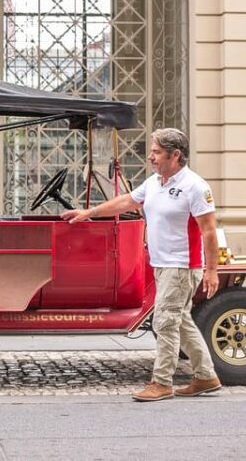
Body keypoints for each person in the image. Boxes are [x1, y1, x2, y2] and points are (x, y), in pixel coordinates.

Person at [61, 128, 221, 402]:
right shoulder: (155, 182)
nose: (150, 157)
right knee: (180, 321)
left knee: (164, 322)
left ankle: (162, 382)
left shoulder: (195, 186)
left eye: (157, 152)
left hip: (181, 266)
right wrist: (90, 213)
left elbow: (209, 230)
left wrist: (212, 270)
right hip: (162, 264)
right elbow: (127, 201)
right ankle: (206, 376)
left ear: (175, 155)